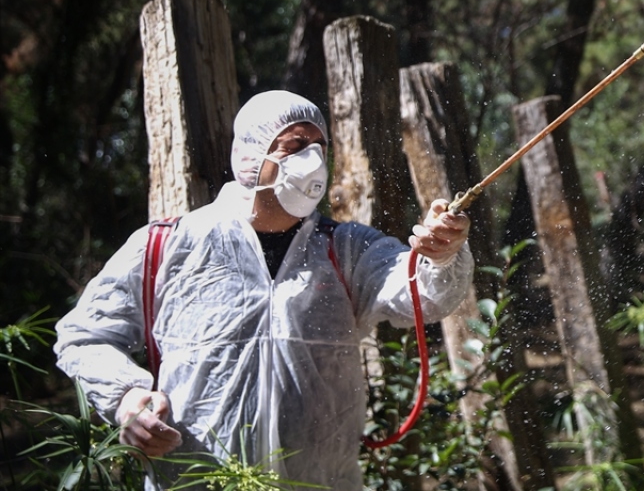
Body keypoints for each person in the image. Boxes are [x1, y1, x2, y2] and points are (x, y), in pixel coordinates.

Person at [55, 90, 474, 490]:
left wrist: (440, 254)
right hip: (196, 483)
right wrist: (126, 398)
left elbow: (424, 295)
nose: (311, 160)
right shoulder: (168, 246)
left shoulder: (346, 249)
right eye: (294, 146)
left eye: (319, 147)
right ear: (248, 157)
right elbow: (84, 336)